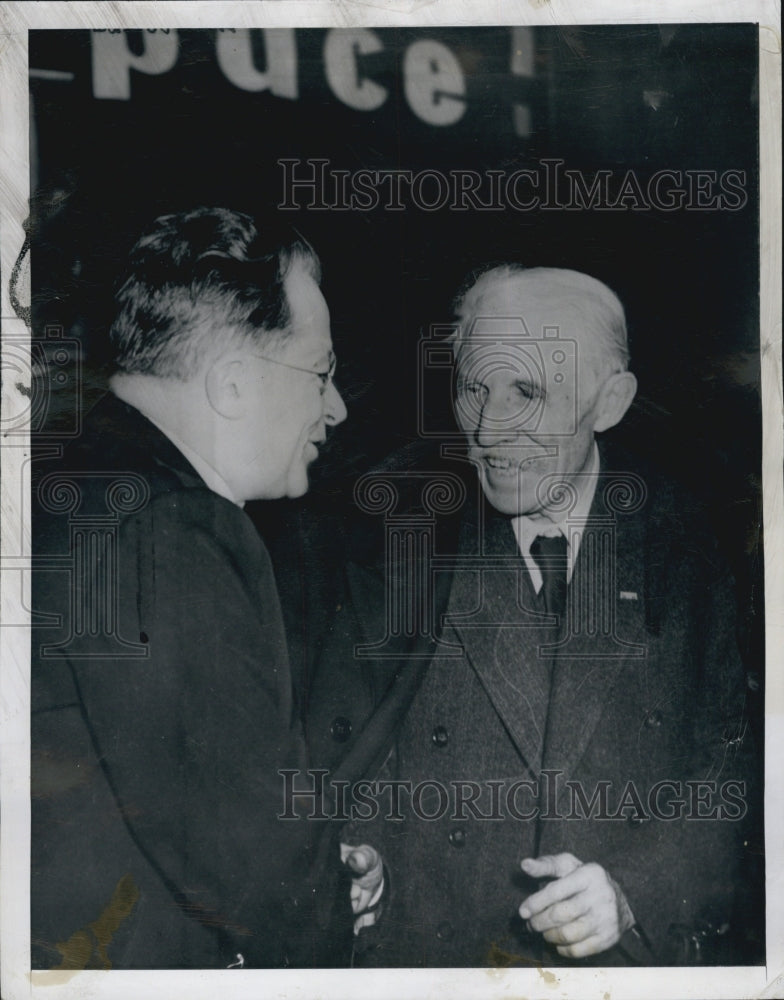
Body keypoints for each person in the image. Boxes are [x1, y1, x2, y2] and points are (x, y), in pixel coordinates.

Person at [306, 265, 754, 967]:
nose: (488, 430)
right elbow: (343, 749)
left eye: (528, 392)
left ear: (611, 402)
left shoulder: (683, 540)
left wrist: (637, 892)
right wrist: (363, 868)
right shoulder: (396, 536)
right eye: (474, 389)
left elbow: (727, 776)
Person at [30, 207, 382, 969]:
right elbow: (249, 859)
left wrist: (314, 866)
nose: (337, 407)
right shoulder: (175, 527)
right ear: (231, 382)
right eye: (321, 374)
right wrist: (315, 904)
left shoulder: (79, 484)